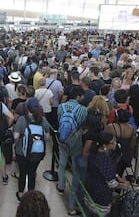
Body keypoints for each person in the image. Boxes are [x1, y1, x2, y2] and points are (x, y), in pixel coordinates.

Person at [57, 86, 87, 216]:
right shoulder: (83, 110)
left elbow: (60, 121)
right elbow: (82, 125)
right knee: (76, 167)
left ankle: (61, 186)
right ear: (79, 96)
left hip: (62, 138)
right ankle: (73, 194)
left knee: (62, 163)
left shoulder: (61, 107)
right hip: (75, 141)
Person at [83, 131, 129, 216]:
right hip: (101, 194)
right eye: (112, 143)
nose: (115, 143)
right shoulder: (105, 161)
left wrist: (118, 177)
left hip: (90, 188)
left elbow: (103, 172)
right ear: (104, 146)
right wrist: (124, 185)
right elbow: (112, 184)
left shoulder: (93, 153)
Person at [14, 98, 50, 201]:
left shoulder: (22, 119)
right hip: (36, 152)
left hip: (21, 151)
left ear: (26, 108)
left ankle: (21, 193)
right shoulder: (43, 120)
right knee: (32, 173)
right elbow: (47, 137)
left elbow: (16, 136)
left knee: (22, 172)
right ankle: (30, 194)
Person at [105, 108, 136, 176]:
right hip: (125, 154)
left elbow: (104, 139)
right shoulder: (132, 129)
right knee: (120, 173)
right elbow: (132, 146)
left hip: (113, 154)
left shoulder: (111, 127)